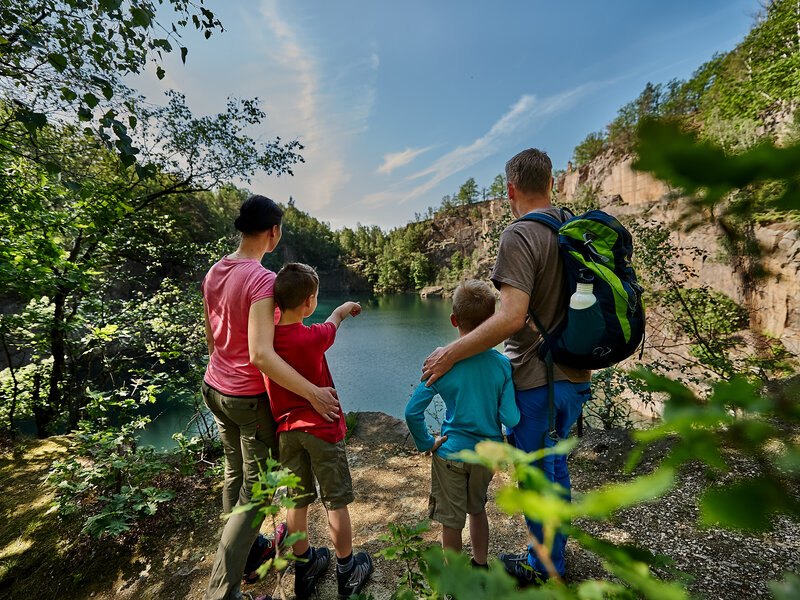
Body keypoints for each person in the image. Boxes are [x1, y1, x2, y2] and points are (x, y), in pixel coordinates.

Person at [422, 149, 592, 584]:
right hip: (575, 377)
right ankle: (553, 558)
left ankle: (545, 571)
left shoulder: (521, 234)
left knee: (536, 478)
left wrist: (451, 352)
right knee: (555, 469)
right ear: (551, 184)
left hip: (538, 381)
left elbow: (512, 316)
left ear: (511, 189)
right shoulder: (571, 227)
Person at [202, 196, 341, 600]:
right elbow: (262, 354)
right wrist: (313, 392)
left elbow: (213, 337)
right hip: (246, 399)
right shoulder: (262, 280)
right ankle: (222, 593)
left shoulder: (216, 270)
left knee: (235, 476)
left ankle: (246, 557)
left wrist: (224, 372)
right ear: (273, 232)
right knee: (257, 493)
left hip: (215, 388)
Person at [266, 262, 373, 600]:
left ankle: (305, 566)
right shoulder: (311, 337)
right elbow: (333, 323)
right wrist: (343, 308)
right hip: (321, 431)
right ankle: (347, 572)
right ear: (310, 301)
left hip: (286, 432)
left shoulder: (267, 343)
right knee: (335, 502)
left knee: (297, 503)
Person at [405, 280, 520, 567]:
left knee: (450, 522)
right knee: (477, 510)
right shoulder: (502, 364)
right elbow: (511, 418)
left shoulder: (441, 363)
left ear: (454, 319)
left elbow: (412, 412)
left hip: (450, 454)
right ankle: (480, 564)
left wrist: (427, 443)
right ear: (493, 321)